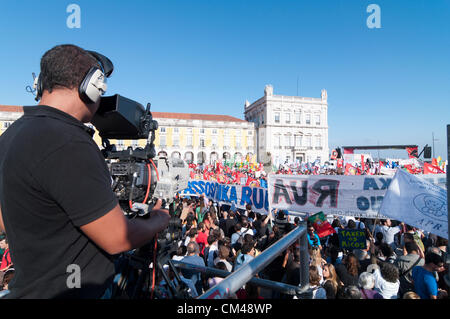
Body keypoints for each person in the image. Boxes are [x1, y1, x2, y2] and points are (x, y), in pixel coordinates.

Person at [0, 44, 170, 298]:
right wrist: (159, 220)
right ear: (92, 85)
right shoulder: (69, 142)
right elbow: (118, 239)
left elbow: (5, 219)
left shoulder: (11, 135)